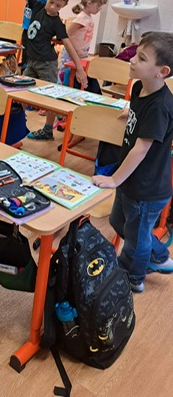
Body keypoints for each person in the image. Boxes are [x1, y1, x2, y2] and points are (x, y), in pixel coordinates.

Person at [92, 32, 173, 293]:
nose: (132, 60)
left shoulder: (160, 106)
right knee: (120, 223)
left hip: (147, 188)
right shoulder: (140, 87)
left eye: (141, 58)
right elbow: (138, 109)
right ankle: (158, 256)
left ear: (162, 71)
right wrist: (130, 110)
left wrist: (114, 179)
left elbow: (140, 149)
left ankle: (132, 276)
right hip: (132, 180)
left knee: (136, 237)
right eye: (136, 54)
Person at [0, 0, 87, 140]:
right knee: (20, 91)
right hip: (33, 61)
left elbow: (68, 44)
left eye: (58, 5)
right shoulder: (36, 6)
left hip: (46, 64)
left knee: (50, 97)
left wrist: (80, 69)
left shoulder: (57, 23)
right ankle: (17, 124)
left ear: (64, 5)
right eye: (51, 2)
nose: (53, 7)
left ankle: (48, 129)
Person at [58, 0, 108, 93]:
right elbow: (67, 33)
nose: (99, 9)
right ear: (89, 3)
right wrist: (77, 49)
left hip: (81, 52)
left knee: (78, 75)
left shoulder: (87, 17)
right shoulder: (81, 18)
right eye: (98, 5)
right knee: (67, 76)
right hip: (72, 53)